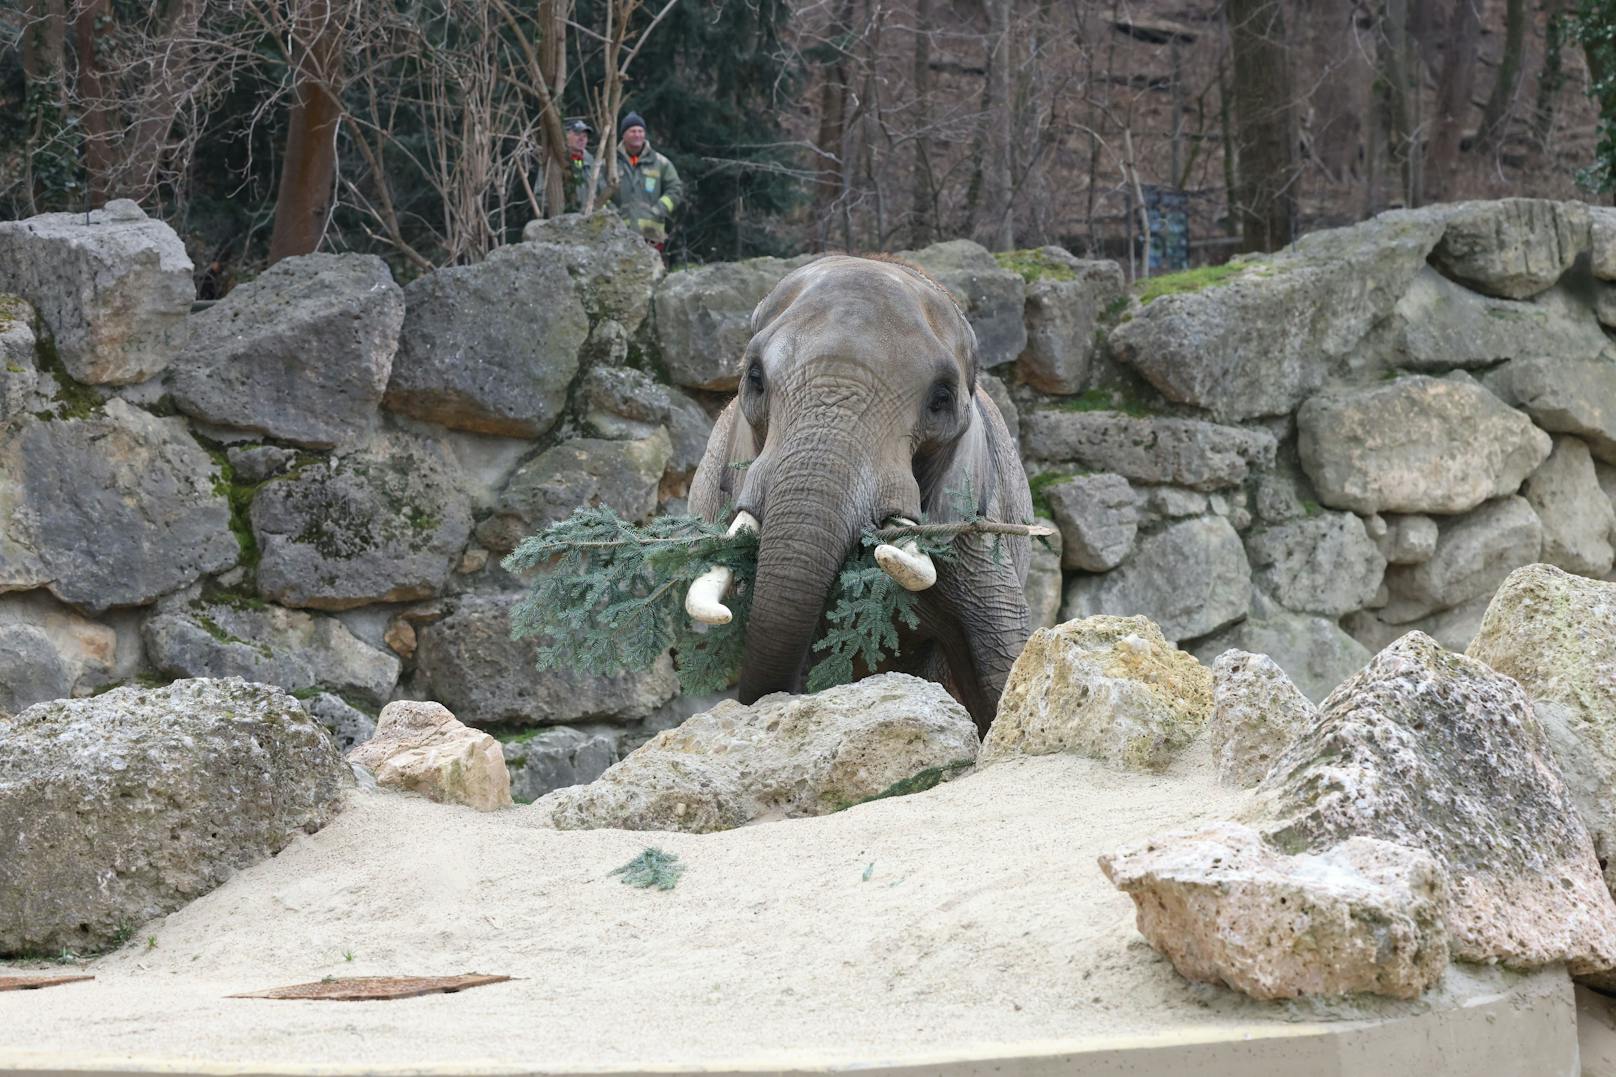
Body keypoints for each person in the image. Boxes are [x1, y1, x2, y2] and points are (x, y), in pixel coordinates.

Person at [611, 111, 683, 249]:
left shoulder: (661, 163)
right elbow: (598, 192)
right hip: (618, 234)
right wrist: (612, 215)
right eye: (633, 131)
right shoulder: (609, 162)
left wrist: (658, 210)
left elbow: (675, 189)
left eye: (640, 131)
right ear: (623, 135)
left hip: (651, 236)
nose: (637, 135)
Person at [561, 118, 602, 214]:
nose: (582, 139)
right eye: (577, 134)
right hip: (564, 222)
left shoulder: (592, 162)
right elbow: (541, 195)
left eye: (585, 136)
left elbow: (602, 192)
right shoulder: (555, 161)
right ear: (565, 136)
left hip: (590, 222)